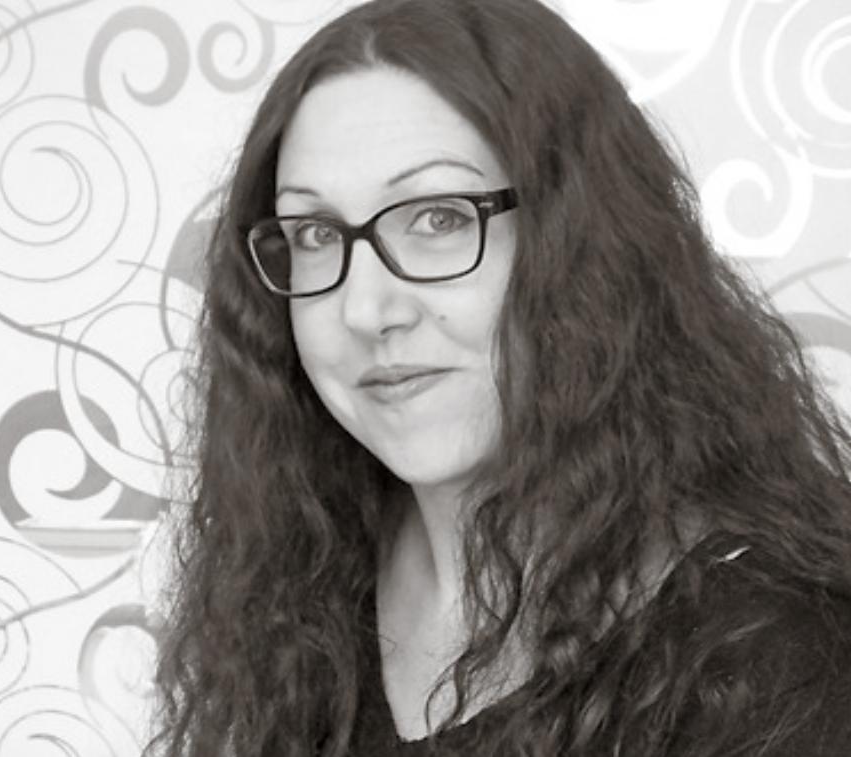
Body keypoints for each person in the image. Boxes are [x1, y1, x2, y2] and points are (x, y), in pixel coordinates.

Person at [149, 0, 851, 755]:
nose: (366, 309)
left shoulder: (782, 653)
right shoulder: (295, 596)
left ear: (584, 246)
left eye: (439, 218)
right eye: (317, 234)